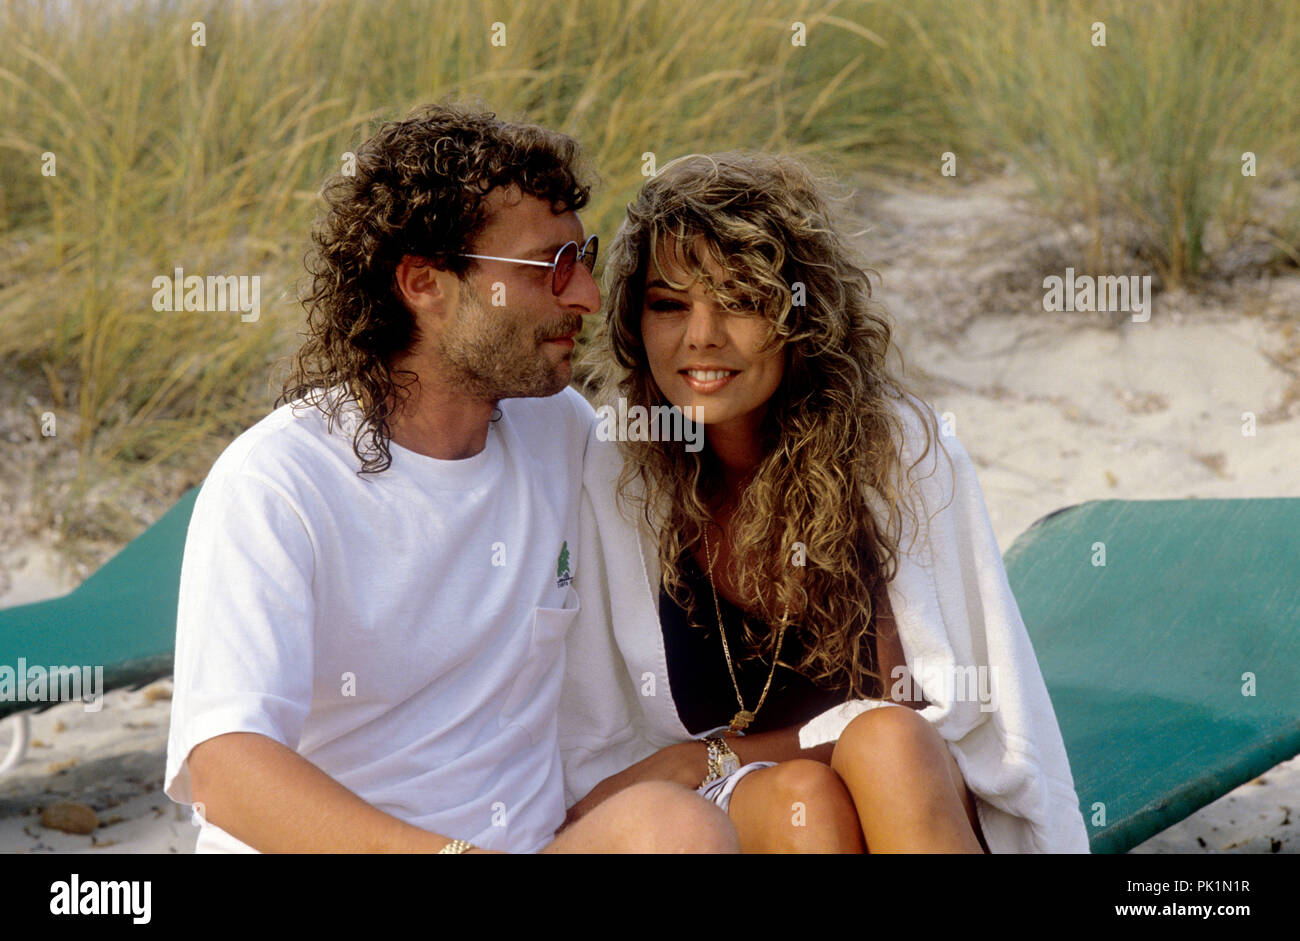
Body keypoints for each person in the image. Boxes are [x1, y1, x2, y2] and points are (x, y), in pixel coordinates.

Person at [163, 104, 737, 854]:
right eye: (548, 269)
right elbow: (226, 767)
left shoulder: (558, 431)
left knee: (677, 830)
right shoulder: (280, 482)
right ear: (425, 283)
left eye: (584, 258)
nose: (587, 297)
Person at [558, 151, 1090, 853]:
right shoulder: (622, 468)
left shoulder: (893, 453)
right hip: (742, 810)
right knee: (804, 795)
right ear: (634, 320)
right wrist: (707, 767)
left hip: (910, 783)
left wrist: (707, 757)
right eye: (669, 305)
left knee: (885, 742)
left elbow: (927, 704)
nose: (701, 336)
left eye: (742, 299)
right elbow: (611, 729)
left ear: (800, 315)